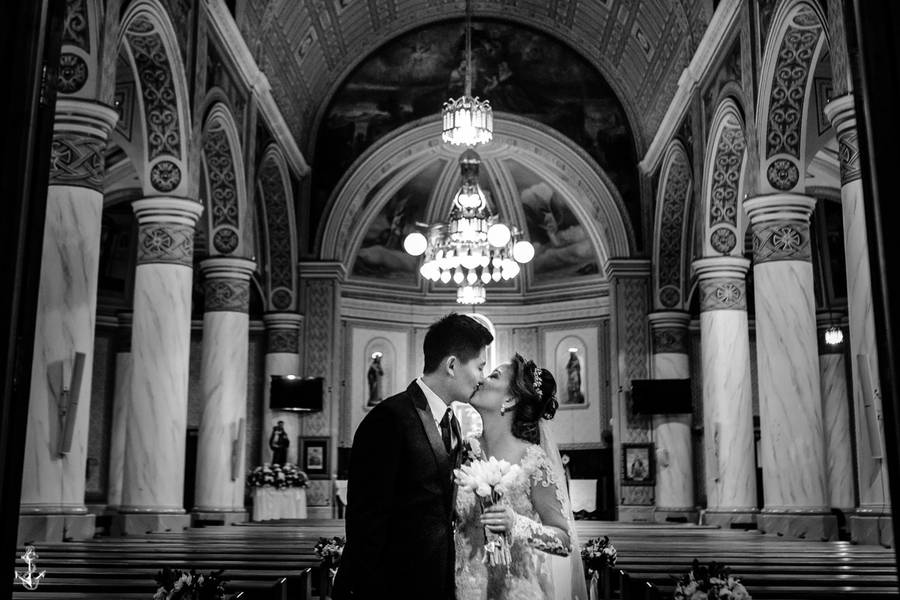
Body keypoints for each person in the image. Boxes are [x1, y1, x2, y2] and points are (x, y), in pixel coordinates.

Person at [332, 313, 493, 600]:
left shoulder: (452, 421)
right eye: (480, 367)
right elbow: (366, 522)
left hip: (437, 580)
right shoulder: (389, 418)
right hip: (393, 585)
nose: (482, 378)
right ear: (452, 365)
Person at [455, 354, 588, 600]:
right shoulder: (463, 449)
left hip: (513, 591)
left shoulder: (533, 461)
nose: (481, 379)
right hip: (463, 588)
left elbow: (564, 540)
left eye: (494, 376)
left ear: (511, 398)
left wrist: (516, 524)